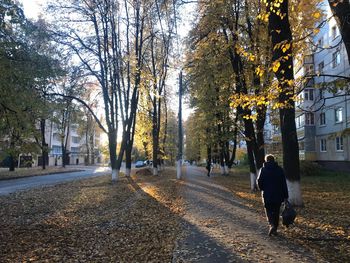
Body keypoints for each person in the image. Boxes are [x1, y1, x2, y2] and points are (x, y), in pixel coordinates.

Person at [257, 154, 288, 236]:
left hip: (267, 194)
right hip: (278, 194)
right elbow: (283, 183)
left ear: (266, 160)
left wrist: (262, 189)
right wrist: (286, 196)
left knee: (268, 210)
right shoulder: (280, 169)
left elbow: (259, 181)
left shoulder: (263, 170)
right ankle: (275, 228)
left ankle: (271, 224)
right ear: (274, 160)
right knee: (276, 211)